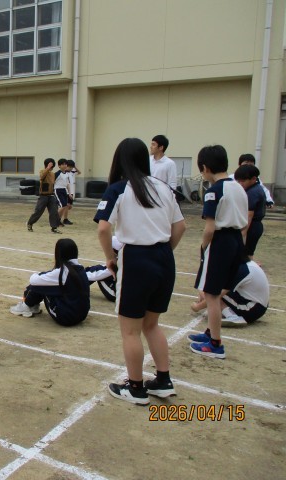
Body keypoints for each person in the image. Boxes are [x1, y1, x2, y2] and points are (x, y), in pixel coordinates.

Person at [94, 137, 186, 405]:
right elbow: (180, 227)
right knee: (151, 324)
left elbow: (103, 228)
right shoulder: (163, 187)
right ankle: (163, 380)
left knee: (130, 330)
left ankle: (135, 387)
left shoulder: (119, 189)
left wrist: (110, 258)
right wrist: (164, 250)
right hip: (164, 258)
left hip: (136, 259)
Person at [190, 145, 248, 359]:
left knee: (211, 294)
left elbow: (210, 228)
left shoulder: (214, 191)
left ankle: (215, 344)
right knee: (218, 289)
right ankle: (210, 333)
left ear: (205, 168)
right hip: (236, 240)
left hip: (220, 241)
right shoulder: (238, 187)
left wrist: (204, 247)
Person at [10, 238, 90, 326]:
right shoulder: (80, 268)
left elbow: (34, 281)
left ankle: (26, 305)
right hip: (82, 315)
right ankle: (31, 305)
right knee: (49, 282)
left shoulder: (62, 272)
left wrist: (38, 274)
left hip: (65, 318)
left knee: (41, 285)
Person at [189, 255, 269, 328]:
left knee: (213, 292)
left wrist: (197, 307)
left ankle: (232, 316)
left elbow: (216, 295)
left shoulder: (241, 270)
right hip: (257, 305)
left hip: (252, 310)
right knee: (209, 289)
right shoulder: (245, 264)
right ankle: (229, 311)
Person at [234, 164, 266, 261]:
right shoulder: (256, 188)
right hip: (254, 225)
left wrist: (243, 233)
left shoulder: (253, 192)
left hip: (251, 226)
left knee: (246, 254)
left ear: (253, 179)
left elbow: (249, 215)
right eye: (238, 181)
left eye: (243, 181)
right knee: (248, 252)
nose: (240, 183)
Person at [27, 158, 62, 234]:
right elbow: (42, 177)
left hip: (51, 195)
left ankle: (54, 227)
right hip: (43, 195)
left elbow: (53, 183)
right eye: (50, 165)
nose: (51, 167)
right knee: (38, 211)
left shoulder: (52, 174)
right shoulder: (42, 171)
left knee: (54, 212)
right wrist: (47, 168)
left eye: (52, 166)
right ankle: (30, 223)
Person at [84, 237, 124, 302]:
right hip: (136, 293)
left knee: (100, 274)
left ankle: (75, 285)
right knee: (101, 269)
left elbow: (97, 275)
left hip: (118, 295)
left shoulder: (118, 263)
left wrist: (81, 274)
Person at [54, 158, 71, 227]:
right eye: (63, 164)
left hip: (64, 190)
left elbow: (67, 184)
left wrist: (69, 193)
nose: (64, 165)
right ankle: (54, 220)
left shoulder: (67, 174)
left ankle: (58, 221)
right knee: (62, 206)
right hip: (58, 190)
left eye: (65, 164)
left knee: (64, 206)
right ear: (59, 166)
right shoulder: (57, 174)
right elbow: (51, 182)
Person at [61, 159, 77, 225]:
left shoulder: (71, 172)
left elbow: (79, 172)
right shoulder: (63, 173)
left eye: (72, 167)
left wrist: (74, 167)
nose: (70, 168)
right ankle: (65, 219)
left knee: (69, 206)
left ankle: (63, 217)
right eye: (69, 167)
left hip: (71, 191)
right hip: (66, 191)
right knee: (66, 206)